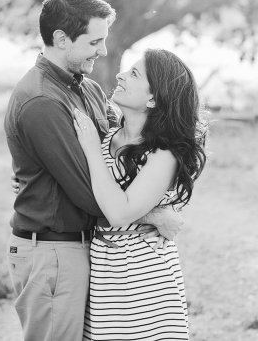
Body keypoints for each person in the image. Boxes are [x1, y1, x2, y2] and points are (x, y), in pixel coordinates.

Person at [4, 0, 183, 341]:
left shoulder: (86, 90)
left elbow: (113, 156)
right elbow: (88, 191)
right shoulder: (42, 100)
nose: (102, 51)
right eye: (93, 42)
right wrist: (150, 214)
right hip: (52, 250)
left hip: (87, 250)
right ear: (61, 38)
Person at [73, 49, 207, 341]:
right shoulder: (108, 136)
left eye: (134, 74)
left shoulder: (163, 153)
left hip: (140, 277)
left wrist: (90, 148)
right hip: (101, 271)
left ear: (153, 98)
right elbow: (89, 191)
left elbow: (120, 212)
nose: (120, 75)